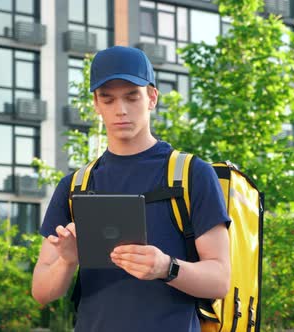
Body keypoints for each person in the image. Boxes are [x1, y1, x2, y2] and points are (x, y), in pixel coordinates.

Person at [32, 46, 231, 332]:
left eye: (131, 96)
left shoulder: (191, 175)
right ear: (96, 105)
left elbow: (220, 279)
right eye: (108, 99)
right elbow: (41, 291)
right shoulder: (75, 186)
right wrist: (67, 261)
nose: (120, 110)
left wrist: (166, 267)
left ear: (152, 98)